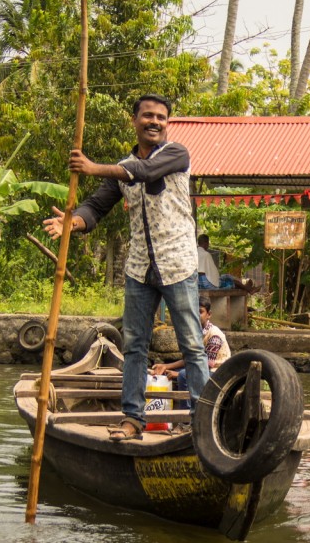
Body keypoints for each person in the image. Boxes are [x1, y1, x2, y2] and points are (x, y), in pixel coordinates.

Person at [43, 94, 209, 441]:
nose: (155, 122)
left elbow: (143, 172)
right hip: (139, 270)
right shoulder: (121, 168)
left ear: (167, 123)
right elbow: (96, 206)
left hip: (177, 264)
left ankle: (203, 419)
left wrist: (91, 167)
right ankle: (133, 420)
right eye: (147, 116)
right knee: (134, 346)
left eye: (161, 117)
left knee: (192, 345)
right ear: (134, 120)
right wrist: (73, 223)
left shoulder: (177, 154)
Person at [151, 296, 232, 407]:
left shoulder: (214, 335)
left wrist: (178, 374)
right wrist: (166, 366)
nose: (197, 315)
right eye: (194, 311)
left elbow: (206, 364)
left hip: (217, 371)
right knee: (174, 372)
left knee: (183, 375)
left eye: (200, 312)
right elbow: (191, 358)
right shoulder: (196, 332)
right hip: (204, 367)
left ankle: (186, 418)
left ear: (209, 314)